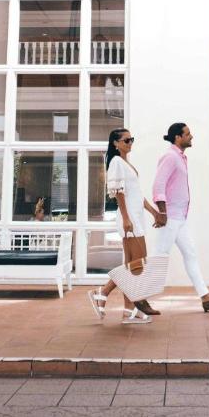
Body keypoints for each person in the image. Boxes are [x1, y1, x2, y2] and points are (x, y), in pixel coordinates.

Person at [153, 122, 209, 313]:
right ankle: (139, 298)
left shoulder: (180, 157)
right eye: (188, 134)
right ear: (178, 137)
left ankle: (205, 297)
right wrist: (162, 213)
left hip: (180, 218)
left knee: (190, 255)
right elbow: (158, 186)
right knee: (159, 257)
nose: (191, 136)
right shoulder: (170, 156)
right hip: (170, 217)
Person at [88, 128, 163, 325]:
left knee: (134, 267)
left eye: (132, 139)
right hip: (129, 219)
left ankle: (128, 312)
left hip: (135, 217)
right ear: (115, 143)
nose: (130, 143)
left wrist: (153, 211)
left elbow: (136, 194)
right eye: (126, 140)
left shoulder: (125, 163)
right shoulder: (116, 162)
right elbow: (118, 192)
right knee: (137, 265)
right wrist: (126, 218)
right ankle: (102, 292)